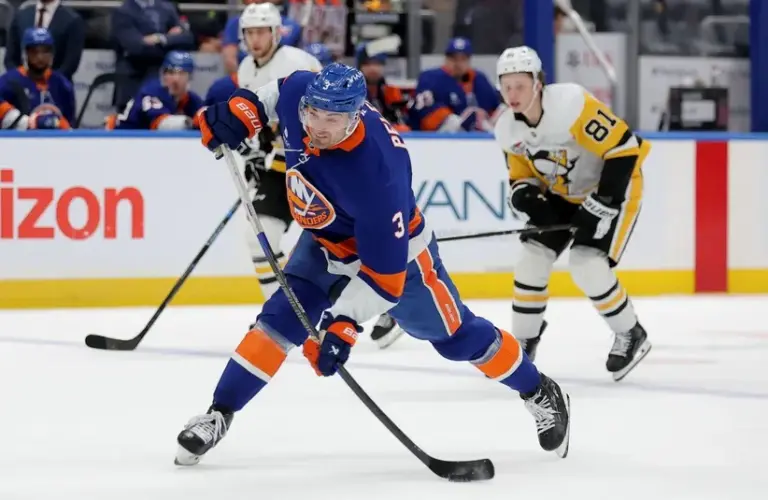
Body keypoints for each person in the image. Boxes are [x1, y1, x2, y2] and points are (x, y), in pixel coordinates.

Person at [174, 63, 572, 466]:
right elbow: (275, 93)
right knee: (278, 321)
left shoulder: (379, 174)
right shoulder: (303, 93)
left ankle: (538, 390)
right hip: (324, 242)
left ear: (354, 116)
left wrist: (342, 323)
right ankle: (218, 413)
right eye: (313, 114)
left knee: (457, 338)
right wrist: (242, 111)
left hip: (401, 262)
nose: (318, 127)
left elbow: (385, 278)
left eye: (332, 119)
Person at [493, 46, 652, 381]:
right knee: (531, 260)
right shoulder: (507, 128)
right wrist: (531, 201)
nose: (512, 94)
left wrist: (604, 202)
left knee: (586, 264)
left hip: (613, 185)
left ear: (538, 83)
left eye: (520, 85)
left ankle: (630, 333)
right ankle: (524, 340)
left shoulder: (572, 105)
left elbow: (624, 148)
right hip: (565, 193)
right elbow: (520, 175)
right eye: (506, 86)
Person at [111, 0, 195, 111]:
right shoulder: (123, 12)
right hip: (133, 80)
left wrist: (159, 38)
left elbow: (188, 39)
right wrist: (170, 41)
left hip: (164, 81)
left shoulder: (167, 7)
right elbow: (136, 47)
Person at [408, 37, 500, 132]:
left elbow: (495, 109)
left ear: (469, 60)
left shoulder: (479, 79)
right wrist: (456, 123)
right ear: (446, 58)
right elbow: (424, 113)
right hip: (437, 139)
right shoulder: (430, 78)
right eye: (454, 58)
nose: (458, 63)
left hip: (478, 139)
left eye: (463, 59)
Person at [106, 51, 203, 130]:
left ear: (190, 77)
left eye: (182, 73)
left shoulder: (192, 99)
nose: (176, 79)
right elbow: (161, 124)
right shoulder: (151, 92)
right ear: (163, 75)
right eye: (171, 73)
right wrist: (192, 122)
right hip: (118, 136)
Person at [0, 27, 75, 130]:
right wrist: (25, 122)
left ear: (52, 53)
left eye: (45, 51)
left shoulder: (62, 84)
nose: (40, 57)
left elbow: (69, 123)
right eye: (34, 52)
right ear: (25, 53)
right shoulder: (9, 81)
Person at [4, 0, 85, 81]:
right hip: (20, 87)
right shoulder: (21, 16)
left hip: (56, 88)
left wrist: (47, 83)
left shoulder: (72, 20)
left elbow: (70, 64)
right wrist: (21, 80)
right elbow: (10, 58)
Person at [221, 0, 302, 75]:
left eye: (261, 32)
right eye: (250, 32)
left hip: (282, 76)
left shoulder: (291, 26)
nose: (255, 39)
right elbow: (230, 59)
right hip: (246, 74)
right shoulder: (236, 23)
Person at [356, 41, 410, 133]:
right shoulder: (352, 93)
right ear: (360, 66)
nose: (373, 68)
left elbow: (402, 123)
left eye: (377, 64)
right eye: (367, 64)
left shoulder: (388, 91)